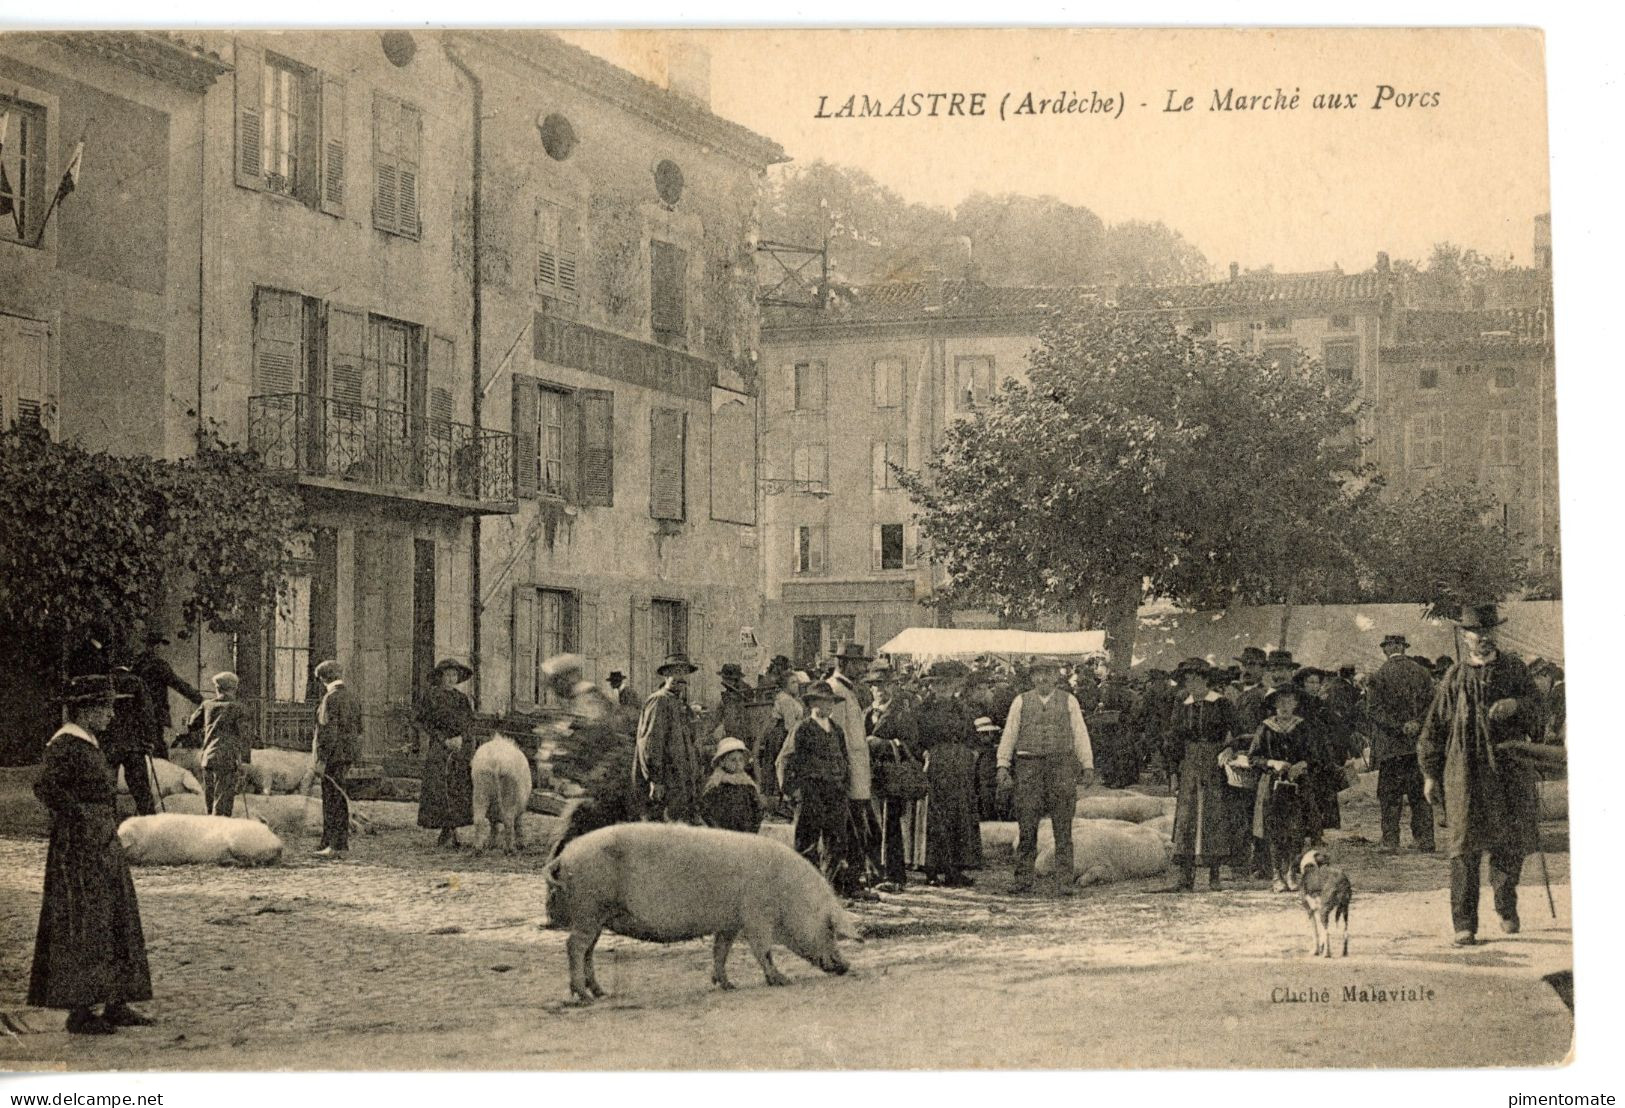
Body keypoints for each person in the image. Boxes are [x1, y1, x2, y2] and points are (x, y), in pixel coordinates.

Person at [29, 675, 155, 1035]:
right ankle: (81, 1010)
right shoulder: (65, 744)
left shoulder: (88, 742)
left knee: (116, 915)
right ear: (86, 709)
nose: (112, 715)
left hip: (102, 839)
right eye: (106, 707)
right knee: (84, 919)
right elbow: (44, 787)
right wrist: (79, 816)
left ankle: (116, 1001)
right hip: (80, 846)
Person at [1418, 603, 1542, 946]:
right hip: (1464, 773)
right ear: (1464, 635)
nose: (1483, 638)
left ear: (1496, 634)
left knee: (1507, 842)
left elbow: (1539, 710)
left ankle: (1505, 906)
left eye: (1489, 632)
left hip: (1507, 769)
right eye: (1476, 632)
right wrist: (1430, 774)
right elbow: (1434, 728)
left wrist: (1517, 705)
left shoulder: (1514, 669)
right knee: (1464, 848)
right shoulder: (1455, 676)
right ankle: (1464, 923)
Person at [996, 657, 1094, 895]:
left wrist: (1087, 764)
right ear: (1031, 677)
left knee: (1063, 826)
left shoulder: (1069, 700)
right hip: (1028, 766)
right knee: (1027, 826)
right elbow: (1009, 733)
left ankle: (1064, 881)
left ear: (1056, 676)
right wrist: (1003, 764)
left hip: (1061, 766)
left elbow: (1080, 733)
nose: (1043, 678)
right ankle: (1023, 879)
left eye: (1048, 673)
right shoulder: (1020, 701)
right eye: (1038, 674)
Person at [1165, 659, 1243, 891]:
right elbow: (1174, 740)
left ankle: (1214, 875)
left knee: (1213, 815)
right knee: (1187, 815)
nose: (1192, 684)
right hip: (1189, 763)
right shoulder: (1183, 704)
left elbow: (1240, 733)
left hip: (1213, 762)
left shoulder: (1221, 703)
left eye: (1197, 679)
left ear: (1206, 680)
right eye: (1188, 680)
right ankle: (1184, 877)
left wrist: (1229, 749)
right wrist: (1173, 772)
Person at [1363, 633, 1436, 852]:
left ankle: (1390, 841)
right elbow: (1434, 706)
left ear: (1386, 649)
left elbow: (1374, 710)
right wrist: (1416, 723)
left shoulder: (1379, 675)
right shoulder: (1423, 672)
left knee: (1389, 795)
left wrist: (1398, 727)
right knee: (1420, 794)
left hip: (1391, 747)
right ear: (1403, 648)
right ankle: (1425, 839)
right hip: (1417, 745)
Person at [781, 681, 853, 894]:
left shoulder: (837, 730)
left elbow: (844, 759)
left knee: (836, 840)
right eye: (822, 701)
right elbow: (785, 759)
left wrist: (845, 783)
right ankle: (807, 890)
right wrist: (793, 791)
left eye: (830, 702)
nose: (827, 706)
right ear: (812, 703)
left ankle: (830, 889)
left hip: (835, 791)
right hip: (810, 790)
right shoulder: (802, 729)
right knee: (807, 841)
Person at [1247, 685, 1314, 891]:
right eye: (1280, 702)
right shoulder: (1265, 728)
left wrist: (1303, 764)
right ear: (1274, 704)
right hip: (1271, 785)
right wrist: (1271, 763)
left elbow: (1316, 755)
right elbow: (1253, 758)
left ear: (1296, 704)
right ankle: (1276, 874)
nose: (1285, 706)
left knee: (1296, 831)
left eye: (1289, 701)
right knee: (1274, 830)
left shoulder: (1303, 727)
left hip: (1297, 785)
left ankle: (1291, 872)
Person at [826, 642, 878, 896]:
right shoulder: (835, 690)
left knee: (857, 827)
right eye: (859, 663)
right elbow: (837, 737)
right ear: (844, 664)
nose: (863, 668)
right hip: (847, 774)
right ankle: (847, 883)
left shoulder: (849, 690)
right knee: (848, 829)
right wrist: (843, 773)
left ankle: (853, 880)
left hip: (857, 773)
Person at [865, 665, 921, 891]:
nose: (880, 690)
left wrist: (885, 745)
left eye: (885, 685)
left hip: (893, 776)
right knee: (872, 822)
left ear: (893, 687)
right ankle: (874, 871)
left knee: (891, 823)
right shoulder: (866, 712)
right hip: (871, 776)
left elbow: (911, 744)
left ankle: (894, 873)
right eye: (876, 686)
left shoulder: (902, 713)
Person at [635, 653, 704, 823]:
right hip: (665, 782)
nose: (681, 677)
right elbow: (651, 743)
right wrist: (655, 779)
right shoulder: (659, 701)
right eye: (676, 672)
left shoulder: (679, 703)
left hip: (680, 781)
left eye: (684, 672)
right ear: (666, 675)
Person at [416, 659, 476, 849]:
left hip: (459, 747)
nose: (451, 679)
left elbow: (469, 723)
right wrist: (443, 739)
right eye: (447, 675)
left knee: (459, 785)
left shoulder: (462, 699)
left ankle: (454, 827)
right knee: (439, 785)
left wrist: (461, 738)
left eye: (454, 675)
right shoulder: (431, 696)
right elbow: (422, 721)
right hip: (440, 746)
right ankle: (446, 828)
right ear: (440, 677)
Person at [311, 659, 362, 858]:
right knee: (339, 797)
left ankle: (335, 844)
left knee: (332, 799)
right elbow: (359, 729)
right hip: (346, 755)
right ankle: (332, 841)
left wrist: (321, 759)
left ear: (323, 678)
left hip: (332, 757)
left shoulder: (329, 699)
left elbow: (327, 732)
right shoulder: (353, 697)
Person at [128, 624, 203, 757]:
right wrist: (199, 698)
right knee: (159, 750)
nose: (164, 649)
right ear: (156, 646)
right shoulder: (159, 665)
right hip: (157, 714)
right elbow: (178, 684)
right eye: (162, 645)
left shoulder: (137, 663)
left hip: (138, 713)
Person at [186, 672, 252, 817]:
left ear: (217, 688)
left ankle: (210, 832)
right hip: (227, 760)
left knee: (209, 802)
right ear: (234, 688)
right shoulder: (239, 708)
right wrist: (245, 761)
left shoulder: (207, 705)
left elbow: (191, 725)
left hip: (207, 759)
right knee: (223, 804)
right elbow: (245, 737)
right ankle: (219, 835)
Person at [103, 656, 159, 816]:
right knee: (141, 788)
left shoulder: (106, 682)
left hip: (109, 743)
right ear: (130, 664)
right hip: (134, 744)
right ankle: (149, 823)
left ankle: (109, 823)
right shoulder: (137, 682)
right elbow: (147, 714)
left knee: (107, 787)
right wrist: (149, 740)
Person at [699, 736, 766, 834]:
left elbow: (758, 809)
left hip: (746, 834)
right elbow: (706, 811)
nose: (738, 763)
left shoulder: (748, 785)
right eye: (733, 760)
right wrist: (717, 829)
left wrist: (752, 829)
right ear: (722, 762)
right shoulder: (716, 786)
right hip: (724, 835)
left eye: (740, 760)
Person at [759, 668, 803, 806]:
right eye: (793, 683)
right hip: (783, 734)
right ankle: (782, 799)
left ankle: (783, 799)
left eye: (797, 682)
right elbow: (789, 724)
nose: (796, 685)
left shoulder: (789, 698)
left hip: (786, 732)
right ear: (785, 685)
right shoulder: (785, 700)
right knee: (783, 764)